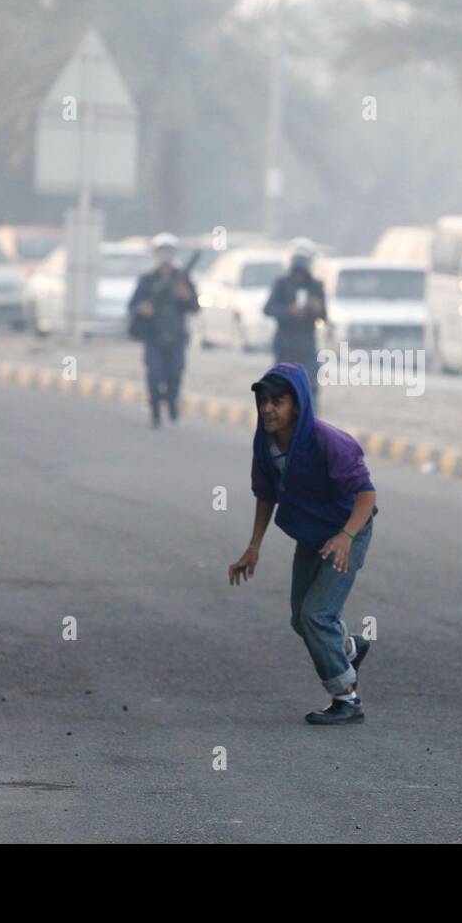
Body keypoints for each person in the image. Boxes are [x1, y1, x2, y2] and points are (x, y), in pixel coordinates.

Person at [228, 363, 378, 725]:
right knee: (301, 619)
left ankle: (347, 697)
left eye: (277, 401)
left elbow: (367, 495)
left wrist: (346, 536)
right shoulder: (265, 444)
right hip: (312, 535)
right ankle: (348, 647)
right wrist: (254, 546)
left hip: (348, 532)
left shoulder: (328, 441)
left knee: (317, 615)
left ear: (298, 404)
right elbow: (266, 494)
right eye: (263, 401)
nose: (267, 409)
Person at [127, 233, 198, 427]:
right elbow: (133, 305)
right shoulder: (148, 280)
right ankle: (156, 410)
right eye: (162, 250)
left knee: (175, 374)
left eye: (169, 250)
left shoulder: (182, 279)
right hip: (153, 336)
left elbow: (195, 307)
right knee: (154, 375)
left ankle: (172, 403)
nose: (165, 255)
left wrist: (186, 297)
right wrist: (143, 308)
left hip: (176, 337)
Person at [263, 239, 326, 410]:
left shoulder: (316, 286)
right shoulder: (282, 284)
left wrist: (316, 308)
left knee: (310, 385)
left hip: (306, 343)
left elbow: (323, 316)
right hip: (285, 343)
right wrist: (289, 311)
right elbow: (268, 309)